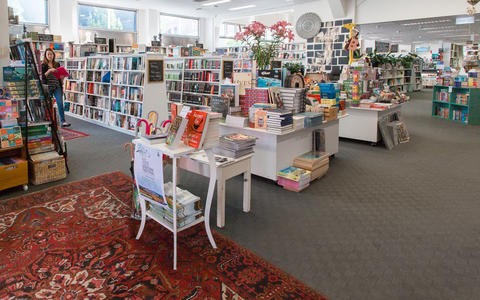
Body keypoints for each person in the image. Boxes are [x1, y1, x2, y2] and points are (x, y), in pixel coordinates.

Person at [41, 48, 70, 127]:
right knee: (48, 104)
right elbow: (42, 77)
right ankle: (48, 121)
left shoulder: (57, 64)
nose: (50, 56)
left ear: (53, 55)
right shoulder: (43, 65)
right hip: (48, 87)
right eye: (48, 54)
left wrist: (62, 77)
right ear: (46, 56)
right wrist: (50, 71)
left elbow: (59, 75)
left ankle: (63, 121)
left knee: (60, 103)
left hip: (57, 85)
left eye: (51, 54)